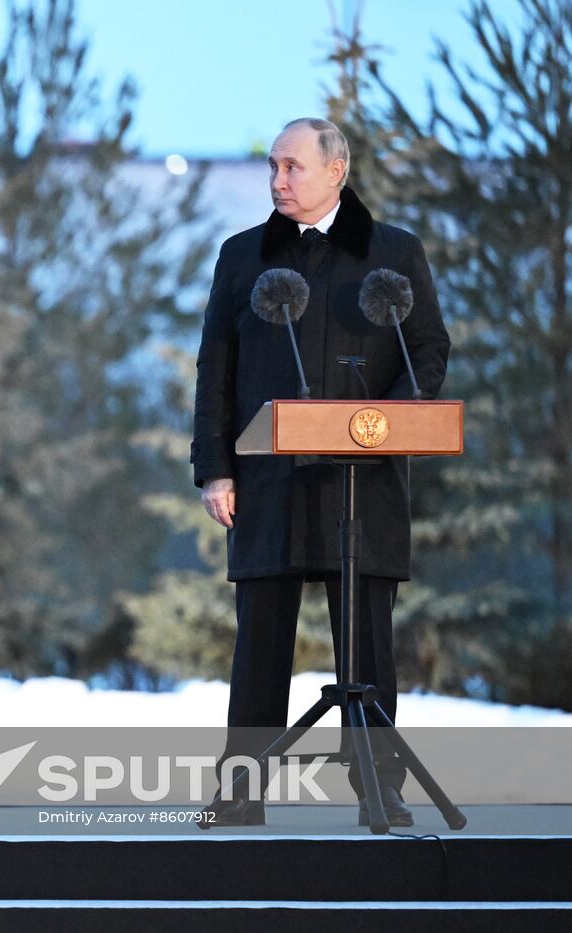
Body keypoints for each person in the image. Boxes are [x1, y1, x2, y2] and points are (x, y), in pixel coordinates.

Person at [191, 118, 449, 827]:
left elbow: (427, 350)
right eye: (273, 167)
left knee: (368, 640)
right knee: (261, 641)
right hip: (267, 478)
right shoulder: (243, 257)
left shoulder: (394, 253)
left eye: (292, 167)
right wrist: (216, 469)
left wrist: (387, 425)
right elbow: (217, 369)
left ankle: (379, 788)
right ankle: (240, 792)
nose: (278, 180)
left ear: (337, 170)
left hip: (363, 482)